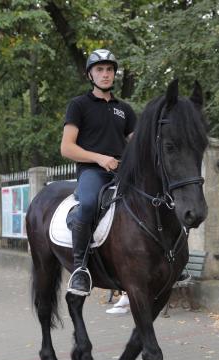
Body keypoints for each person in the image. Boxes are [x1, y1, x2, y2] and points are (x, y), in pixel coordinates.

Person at [61, 49, 137, 296]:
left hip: (122, 173)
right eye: (100, 69)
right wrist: (100, 158)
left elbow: (135, 144)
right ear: (90, 75)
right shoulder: (78, 105)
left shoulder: (124, 109)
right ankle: (80, 268)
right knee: (90, 203)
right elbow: (67, 147)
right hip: (92, 172)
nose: (106, 74)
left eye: (110, 70)